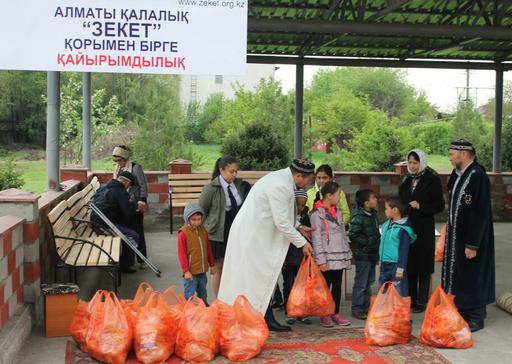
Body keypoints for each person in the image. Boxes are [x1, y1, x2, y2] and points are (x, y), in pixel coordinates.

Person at [218, 159, 315, 332]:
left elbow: (282, 215)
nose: (309, 183)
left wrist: (299, 227)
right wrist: (303, 243)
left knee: (262, 280)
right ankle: (244, 320)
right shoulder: (281, 186)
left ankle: (264, 317)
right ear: (299, 175)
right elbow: (282, 223)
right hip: (252, 236)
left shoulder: (283, 180)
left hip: (257, 234)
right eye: (308, 180)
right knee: (250, 281)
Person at [443, 139, 495, 332]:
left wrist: (473, 244)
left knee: (474, 273)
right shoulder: (457, 174)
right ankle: (462, 311)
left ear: (463, 154)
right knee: (460, 273)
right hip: (457, 235)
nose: (450, 158)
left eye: (452, 154)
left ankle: (476, 317)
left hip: (472, 237)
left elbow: (480, 211)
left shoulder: (477, 175)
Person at [398, 149, 445, 313]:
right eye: (410, 162)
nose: (412, 166)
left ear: (422, 162)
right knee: (409, 262)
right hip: (408, 225)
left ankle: (422, 300)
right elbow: (400, 199)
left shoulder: (431, 179)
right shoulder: (406, 179)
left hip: (424, 226)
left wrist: (421, 206)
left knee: (423, 264)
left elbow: (439, 204)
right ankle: (410, 298)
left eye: (415, 163)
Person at [198, 156, 250, 298]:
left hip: (237, 230)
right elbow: (200, 211)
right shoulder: (211, 188)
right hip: (218, 232)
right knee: (218, 268)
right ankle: (219, 300)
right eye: (231, 171)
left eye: (236, 172)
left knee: (235, 265)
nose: (234, 175)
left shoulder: (240, 185)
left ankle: (233, 296)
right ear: (221, 170)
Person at [311, 181, 352, 327]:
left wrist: (347, 253)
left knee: (337, 285)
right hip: (326, 256)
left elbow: (342, 233)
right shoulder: (317, 215)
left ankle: (335, 312)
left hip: (339, 255)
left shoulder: (338, 212)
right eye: (338, 194)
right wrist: (320, 260)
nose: (340, 197)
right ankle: (324, 313)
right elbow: (316, 239)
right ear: (329, 195)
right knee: (325, 286)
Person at [90, 171, 139, 273]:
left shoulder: (104, 187)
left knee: (127, 231)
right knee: (132, 236)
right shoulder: (120, 192)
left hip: (97, 222)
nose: (128, 188)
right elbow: (129, 212)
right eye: (129, 186)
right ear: (126, 182)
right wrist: (134, 204)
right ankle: (124, 265)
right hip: (102, 226)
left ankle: (124, 262)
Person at [112, 145, 149, 269]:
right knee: (127, 232)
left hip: (136, 204)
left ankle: (142, 259)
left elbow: (143, 186)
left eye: (119, 160)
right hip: (123, 204)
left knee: (138, 231)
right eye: (116, 161)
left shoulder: (136, 168)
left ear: (125, 158)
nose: (118, 163)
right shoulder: (117, 169)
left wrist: (142, 201)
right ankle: (128, 262)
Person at [349, 189, 380, 320]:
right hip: (363, 255)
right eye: (373, 198)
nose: (376, 200)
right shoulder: (358, 217)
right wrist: (367, 243)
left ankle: (365, 307)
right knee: (361, 283)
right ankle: (357, 308)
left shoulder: (373, 214)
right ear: (366, 203)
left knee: (369, 282)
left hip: (372, 254)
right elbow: (353, 234)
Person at [283, 189, 312, 325]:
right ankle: (290, 311)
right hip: (288, 258)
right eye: (297, 205)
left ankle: (302, 311)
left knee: (302, 286)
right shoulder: (285, 218)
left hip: (301, 257)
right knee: (289, 284)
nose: (300, 208)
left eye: (302, 205)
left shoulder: (306, 217)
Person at [177, 203, 215, 304]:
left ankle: (204, 309)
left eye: (199, 219)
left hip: (202, 272)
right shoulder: (183, 234)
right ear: (187, 218)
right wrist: (186, 271)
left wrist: (212, 265)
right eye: (193, 219)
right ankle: (189, 313)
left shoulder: (203, 231)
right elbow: (182, 254)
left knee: (203, 294)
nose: (197, 222)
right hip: (191, 273)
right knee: (190, 295)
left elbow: (208, 249)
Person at [378, 196, 416, 297]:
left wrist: (400, 269)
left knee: (399, 291)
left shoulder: (403, 230)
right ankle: (387, 311)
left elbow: (404, 251)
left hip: (396, 266)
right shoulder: (386, 224)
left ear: (395, 210)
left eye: (386, 208)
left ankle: (399, 312)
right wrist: (380, 261)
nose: (385, 211)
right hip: (384, 264)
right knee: (383, 291)